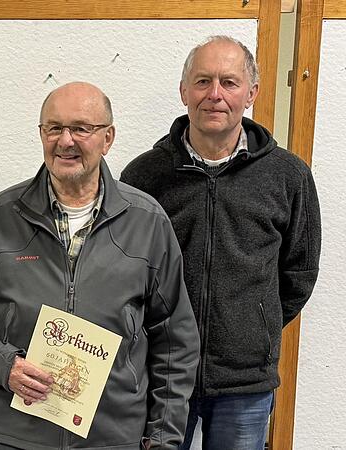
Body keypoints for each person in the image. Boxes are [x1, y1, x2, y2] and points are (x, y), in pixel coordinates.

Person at [0, 81, 200, 449]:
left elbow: (175, 337)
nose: (65, 141)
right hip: (20, 437)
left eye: (81, 128)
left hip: (114, 439)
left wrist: (162, 439)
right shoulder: (2, 216)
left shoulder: (147, 221)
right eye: (54, 128)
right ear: (41, 134)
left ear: (107, 138)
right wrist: (3, 364)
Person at [120, 35, 322, 450]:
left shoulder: (289, 176)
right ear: (184, 92)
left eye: (229, 82)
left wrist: (253, 326)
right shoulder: (144, 175)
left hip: (245, 384)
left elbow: (299, 272)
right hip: (161, 375)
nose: (215, 95)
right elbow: (125, 270)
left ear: (252, 93)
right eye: (202, 81)